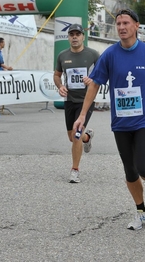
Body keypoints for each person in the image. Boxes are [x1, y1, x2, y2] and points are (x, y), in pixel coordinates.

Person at [73, 9, 145, 230]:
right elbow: (95, 84)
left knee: (144, 167)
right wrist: (82, 115)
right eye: (118, 23)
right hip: (120, 122)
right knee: (130, 171)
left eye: (126, 23)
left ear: (136, 25)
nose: (121, 27)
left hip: (144, 120)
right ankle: (141, 212)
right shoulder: (109, 54)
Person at [53, 24, 100, 183]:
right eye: (71, 34)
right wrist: (60, 86)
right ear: (68, 37)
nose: (74, 37)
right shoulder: (62, 55)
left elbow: (102, 74)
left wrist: (92, 79)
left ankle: (75, 170)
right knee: (72, 138)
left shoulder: (93, 54)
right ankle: (87, 137)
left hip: (86, 100)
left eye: (77, 34)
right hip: (69, 100)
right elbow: (57, 75)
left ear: (83, 37)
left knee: (76, 134)